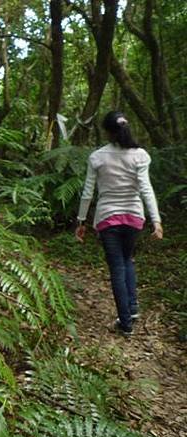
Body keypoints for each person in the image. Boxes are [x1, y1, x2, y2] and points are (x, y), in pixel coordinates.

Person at [75, 111, 163, 337]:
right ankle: (132, 308)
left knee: (117, 267)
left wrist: (81, 220)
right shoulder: (140, 155)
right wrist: (156, 220)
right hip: (134, 218)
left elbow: (87, 192)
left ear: (107, 131)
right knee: (127, 260)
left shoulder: (98, 157)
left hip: (107, 219)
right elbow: (146, 188)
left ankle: (125, 323)